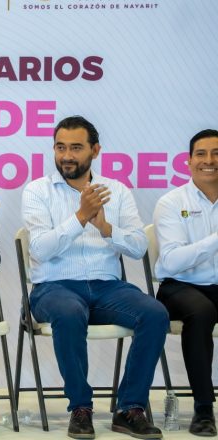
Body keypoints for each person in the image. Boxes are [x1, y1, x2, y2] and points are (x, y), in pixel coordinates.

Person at [21, 115, 168, 439]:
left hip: (107, 288)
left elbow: (138, 245)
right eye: (60, 147)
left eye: (76, 147)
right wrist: (80, 217)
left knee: (155, 313)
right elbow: (41, 250)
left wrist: (104, 228)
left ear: (95, 150)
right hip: (54, 288)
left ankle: (130, 409)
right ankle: (81, 408)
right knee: (69, 312)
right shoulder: (38, 191)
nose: (67, 155)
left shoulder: (116, 190)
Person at [154, 129, 218, 436]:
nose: (210, 161)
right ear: (189, 161)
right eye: (202, 154)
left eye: (217, 153)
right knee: (201, 311)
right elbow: (172, 261)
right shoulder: (171, 202)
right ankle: (204, 411)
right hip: (180, 286)